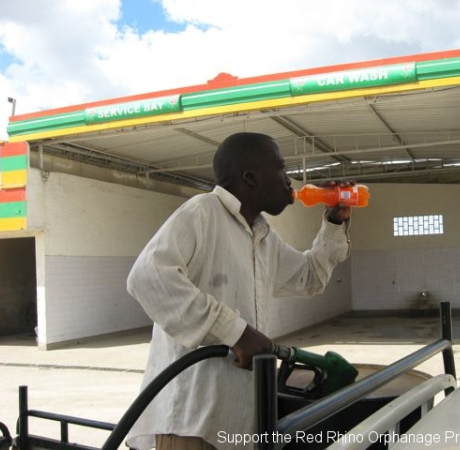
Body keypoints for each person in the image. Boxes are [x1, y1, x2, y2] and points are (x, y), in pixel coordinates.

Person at [126, 132, 352, 450]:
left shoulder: (262, 237)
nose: (291, 183)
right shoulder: (202, 212)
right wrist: (236, 332)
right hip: (192, 427)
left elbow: (309, 277)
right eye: (282, 170)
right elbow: (147, 278)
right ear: (251, 177)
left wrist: (333, 221)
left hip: (238, 426)